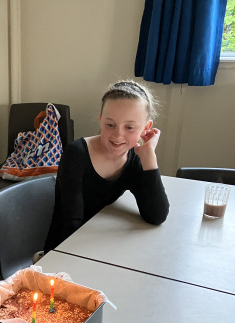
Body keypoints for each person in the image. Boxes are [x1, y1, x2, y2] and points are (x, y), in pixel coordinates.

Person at [44, 80, 170, 252]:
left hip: (103, 244)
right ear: (101, 119)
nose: (118, 135)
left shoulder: (136, 159)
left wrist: (149, 157)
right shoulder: (76, 154)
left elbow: (156, 215)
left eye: (130, 127)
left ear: (145, 128)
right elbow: (71, 223)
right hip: (65, 249)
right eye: (110, 125)